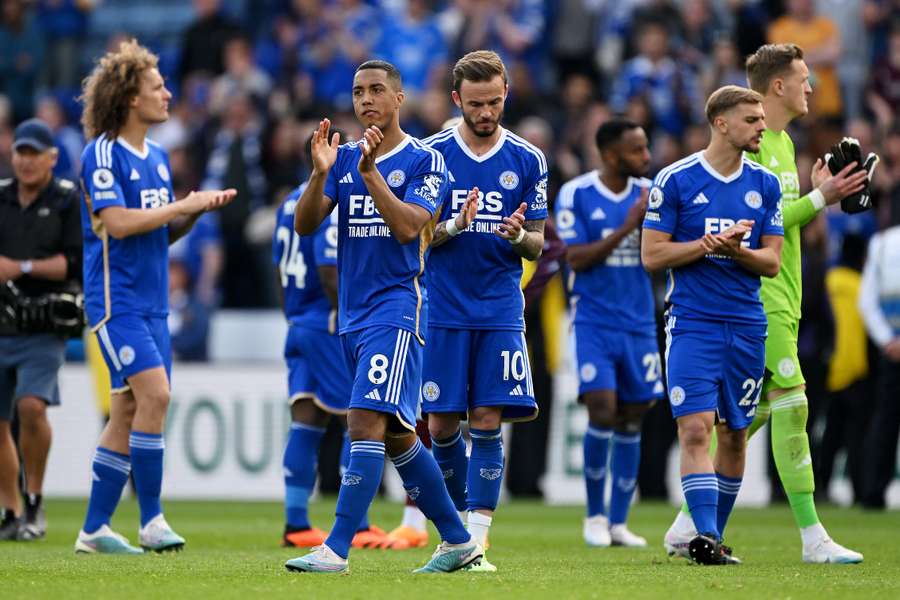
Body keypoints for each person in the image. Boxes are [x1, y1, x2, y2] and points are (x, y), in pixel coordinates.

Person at [663, 44, 868, 564]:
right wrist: (824, 197)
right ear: (777, 85)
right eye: (803, 78)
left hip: (785, 293)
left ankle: (689, 524)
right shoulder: (753, 146)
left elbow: (778, 220)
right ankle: (812, 536)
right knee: (793, 406)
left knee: (743, 418)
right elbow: (758, 221)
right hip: (757, 300)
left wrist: (819, 189)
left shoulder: (779, 142)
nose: (811, 87)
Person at [285, 60, 481, 574]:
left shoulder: (427, 161)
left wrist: (371, 176)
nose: (365, 99)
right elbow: (306, 225)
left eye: (376, 90)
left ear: (399, 98)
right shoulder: (344, 158)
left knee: (363, 421)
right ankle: (459, 540)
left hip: (398, 309)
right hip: (352, 314)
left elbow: (409, 227)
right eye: (357, 91)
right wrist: (320, 174)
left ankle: (336, 548)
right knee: (396, 436)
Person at [74, 39, 235, 554]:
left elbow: (159, 234)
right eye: (157, 87)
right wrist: (179, 205)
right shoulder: (100, 153)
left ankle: (94, 530)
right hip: (115, 301)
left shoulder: (160, 157)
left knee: (126, 411)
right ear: (129, 99)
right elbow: (118, 224)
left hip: (153, 303)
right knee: (157, 396)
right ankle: (151, 519)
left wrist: (193, 212)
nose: (168, 94)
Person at [642, 85, 785, 565]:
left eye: (762, 118)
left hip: (746, 325)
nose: (762, 126)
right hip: (692, 324)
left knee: (735, 435)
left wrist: (736, 251)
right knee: (697, 429)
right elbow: (652, 254)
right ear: (721, 123)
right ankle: (703, 533)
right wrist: (707, 244)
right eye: (752, 119)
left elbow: (771, 262)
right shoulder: (676, 180)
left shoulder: (765, 184)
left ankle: (712, 538)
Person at [421, 50, 547, 572]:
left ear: (505, 95)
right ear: (457, 100)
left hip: (498, 307)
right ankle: (453, 534)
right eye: (475, 103)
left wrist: (520, 236)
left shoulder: (528, 159)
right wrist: (453, 225)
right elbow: (417, 236)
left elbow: (539, 244)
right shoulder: (429, 155)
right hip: (443, 306)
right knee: (442, 425)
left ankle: (477, 541)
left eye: (494, 101)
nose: (486, 111)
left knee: (488, 419)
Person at [273, 148, 405, 551]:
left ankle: (296, 522)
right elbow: (330, 269)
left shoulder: (289, 202)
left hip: (298, 322)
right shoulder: (335, 198)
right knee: (359, 415)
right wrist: (348, 311)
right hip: (328, 322)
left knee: (307, 421)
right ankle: (360, 525)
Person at [555, 118, 662, 548]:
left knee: (633, 416)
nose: (646, 157)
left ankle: (619, 522)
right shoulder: (576, 193)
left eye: (646, 147)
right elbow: (576, 258)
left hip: (638, 323)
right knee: (601, 408)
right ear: (612, 154)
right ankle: (594, 516)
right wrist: (627, 226)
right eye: (637, 150)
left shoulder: (653, 192)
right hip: (594, 321)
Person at [0, 118, 82, 541]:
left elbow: (74, 263)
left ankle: (34, 499)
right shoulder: (0, 197)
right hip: (1, 319)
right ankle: (12, 511)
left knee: (31, 407)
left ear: (52, 158)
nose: (26, 161)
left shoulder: (67, 200)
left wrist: (21, 268)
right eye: (21, 152)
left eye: (35, 154)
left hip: (44, 323)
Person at [858, 220, 900, 509]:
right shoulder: (882, 243)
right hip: (892, 350)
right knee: (885, 420)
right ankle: (873, 491)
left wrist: (888, 341)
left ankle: (873, 493)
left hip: (891, 349)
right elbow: (867, 301)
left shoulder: (882, 242)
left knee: (885, 421)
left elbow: (867, 302)